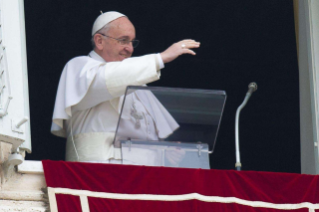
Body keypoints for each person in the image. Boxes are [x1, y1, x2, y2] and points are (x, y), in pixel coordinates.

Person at [51, 11, 200, 163]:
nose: (130, 49)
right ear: (99, 41)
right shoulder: (79, 68)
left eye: (132, 42)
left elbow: (156, 136)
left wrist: (168, 152)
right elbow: (108, 78)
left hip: (142, 178)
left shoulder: (138, 81)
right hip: (97, 175)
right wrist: (160, 58)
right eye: (123, 40)